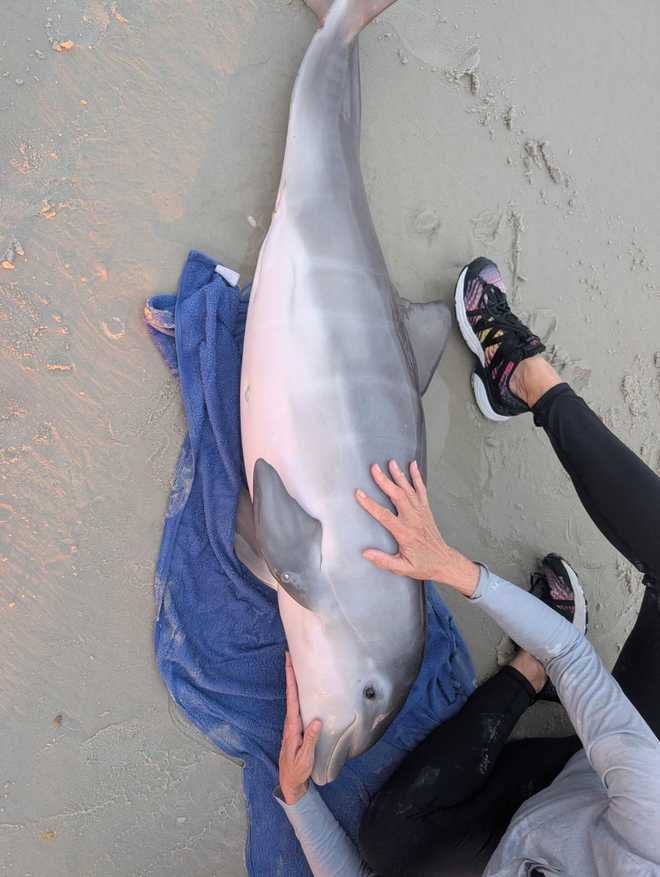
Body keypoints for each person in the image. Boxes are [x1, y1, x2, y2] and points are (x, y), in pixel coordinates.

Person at [274, 257, 660, 876]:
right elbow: (572, 656)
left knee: (388, 843)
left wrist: (295, 799)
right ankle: (525, 377)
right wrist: (455, 569)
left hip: (511, 832)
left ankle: (525, 681)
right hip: (627, 772)